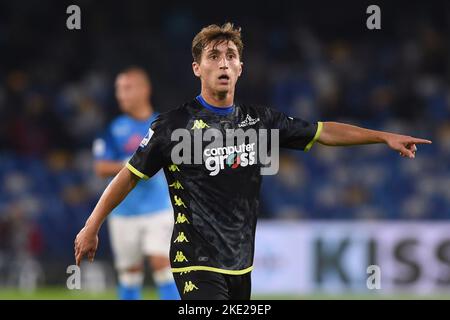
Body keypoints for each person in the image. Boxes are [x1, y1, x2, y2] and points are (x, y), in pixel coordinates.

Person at [75, 23, 432, 300]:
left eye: (230, 55)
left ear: (241, 68)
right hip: (193, 259)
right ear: (197, 68)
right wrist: (91, 226)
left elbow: (323, 131)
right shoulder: (171, 126)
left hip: (240, 265)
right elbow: (129, 176)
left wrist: (382, 135)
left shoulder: (260, 121)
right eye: (214, 57)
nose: (223, 63)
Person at [91, 67, 179, 300]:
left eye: (127, 88)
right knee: (130, 273)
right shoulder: (113, 129)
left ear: (144, 90)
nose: (121, 95)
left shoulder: (163, 125)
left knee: (161, 262)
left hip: (159, 209)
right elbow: (100, 167)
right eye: (119, 89)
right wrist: (135, 164)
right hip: (123, 211)